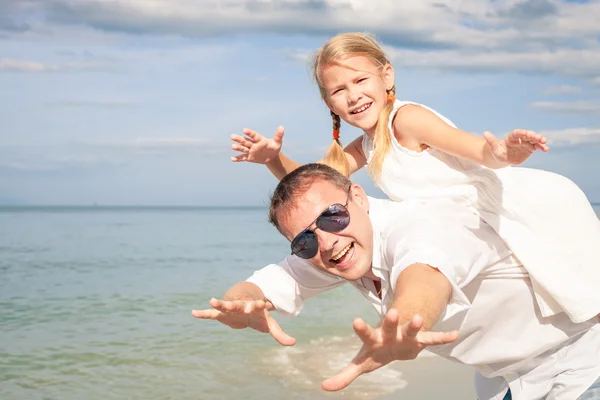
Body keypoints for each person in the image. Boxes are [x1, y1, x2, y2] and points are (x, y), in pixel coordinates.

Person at [229, 32, 600, 323]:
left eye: (360, 80)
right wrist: (272, 159)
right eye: (339, 90)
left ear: (386, 75)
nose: (353, 96)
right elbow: (314, 189)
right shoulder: (367, 144)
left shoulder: (405, 120)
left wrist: (502, 152)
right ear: (329, 104)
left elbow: (472, 148)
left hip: (513, 206)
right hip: (462, 222)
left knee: (579, 288)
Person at [194, 163, 600, 399]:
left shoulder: (423, 223)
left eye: (332, 216)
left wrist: (403, 326)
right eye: (304, 240)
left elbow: (425, 276)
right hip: (505, 380)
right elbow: (264, 285)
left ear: (359, 197)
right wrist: (241, 304)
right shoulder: (330, 250)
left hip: (578, 364)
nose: (327, 242)